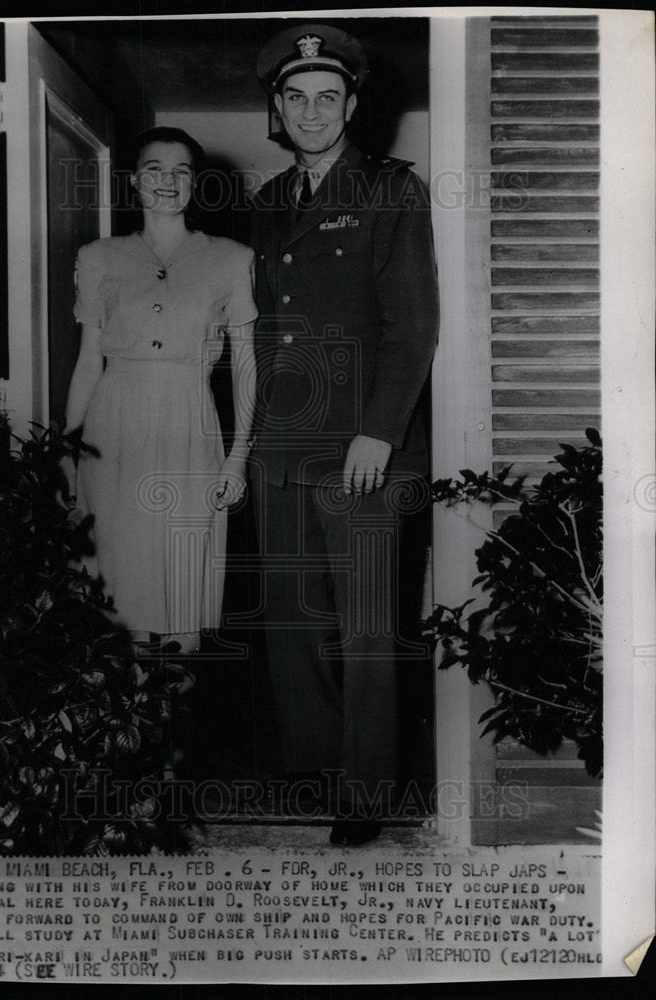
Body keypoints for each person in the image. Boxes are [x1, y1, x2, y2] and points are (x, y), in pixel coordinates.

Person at [251, 24, 440, 845]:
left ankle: (364, 795)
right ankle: (315, 769)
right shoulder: (263, 206)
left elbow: (412, 327)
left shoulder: (391, 190)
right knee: (292, 618)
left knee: (365, 629)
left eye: (329, 97)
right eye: (297, 97)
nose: (312, 111)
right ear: (278, 108)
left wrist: (378, 433)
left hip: (363, 446)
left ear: (353, 105)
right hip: (282, 444)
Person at [62, 126, 257, 657]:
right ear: (133, 180)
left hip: (189, 424)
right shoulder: (98, 256)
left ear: (197, 183)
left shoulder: (232, 258)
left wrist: (237, 458)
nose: (167, 181)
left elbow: (245, 364)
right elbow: (87, 363)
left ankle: (178, 730)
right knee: (118, 592)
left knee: (182, 592)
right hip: (112, 428)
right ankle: (132, 732)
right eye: (153, 168)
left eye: (181, 171)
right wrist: (65, 452)